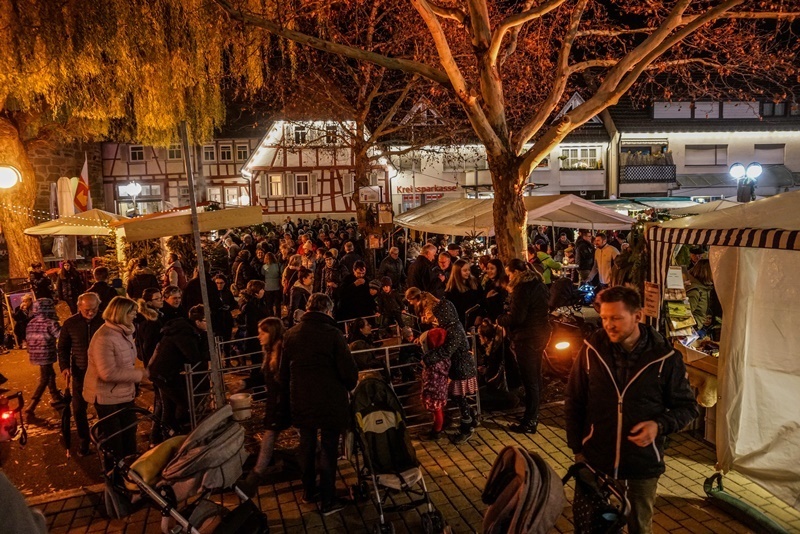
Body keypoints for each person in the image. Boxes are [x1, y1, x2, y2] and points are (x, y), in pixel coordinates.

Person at [565, 286, 698, 534]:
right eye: (604, 317)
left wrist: (658, 425)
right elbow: (574, 400)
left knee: (640, 527)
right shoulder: (591, 350)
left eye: (616, 318)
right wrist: (577, 450)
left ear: (637, 316)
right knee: (591, 526)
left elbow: (688, 408)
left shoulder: (665, 358)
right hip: (596, 459)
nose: (608, 325)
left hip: (642, 464)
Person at [281, 293, 358, 515]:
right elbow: (348, 370)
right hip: (329, 400)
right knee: (328, 448)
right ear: (327, 310)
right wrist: (350, 384)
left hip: (301, 399)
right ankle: (327, 499)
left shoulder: (290, 335)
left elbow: (283, 372)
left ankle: (308, 491)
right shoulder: (333, 334)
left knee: (306, 446)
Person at [407, 287, 478, 444]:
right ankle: (472, 417)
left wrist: (428, 359)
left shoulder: (454, 330)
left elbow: (446, 350)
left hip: (461, 368)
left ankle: (466, 426)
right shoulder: (452, 326)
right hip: (458, 367)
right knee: (458, 397)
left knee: (459, 398)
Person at [84, 297, 147, 465]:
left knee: (129, 433)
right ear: (121, 313)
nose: (135, 315)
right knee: (114, 440)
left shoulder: (124, 332)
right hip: (107, 396)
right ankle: (114, 472)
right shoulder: (105, 337)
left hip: (124, 392)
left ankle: (129, 468)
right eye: (132, 312)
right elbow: (107, 373)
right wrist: (140, 375)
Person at [497, 259, 551, 434]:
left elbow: (517, 317)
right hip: (540, 334)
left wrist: (500, 319)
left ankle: (530, 420)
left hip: (528, 337)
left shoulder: (522, 288)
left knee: (530, 379)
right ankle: (531, 414)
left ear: (516, 272)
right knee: (535, 376)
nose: (509, 277)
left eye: (509, 274)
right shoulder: (539, 283)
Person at [241, 317, 290, 496]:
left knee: (270, 437)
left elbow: (284, 379)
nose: (259, 336)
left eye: (263, 333)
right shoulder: (271, 351)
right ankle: (318, 460)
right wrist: (245, 383)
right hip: (277, 402)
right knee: (275, 435)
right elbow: (265, 375)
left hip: (283, 403)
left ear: (273, 333)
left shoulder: (282, 352)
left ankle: (253, 478)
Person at [148, 305, 210, 434]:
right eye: (206, 321)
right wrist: (205, 336)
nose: (209, 324)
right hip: (164, 375)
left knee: (169, 406)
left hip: (168, 374)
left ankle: (163, 435)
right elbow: (194, 357)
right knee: (182, 404)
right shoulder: (184, 333)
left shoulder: (185, 329)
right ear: (197, 321)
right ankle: (169, 433)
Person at [57, 292, 103, 456]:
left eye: (94, 309)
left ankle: (103, 439)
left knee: (103, 407)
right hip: (80, 372)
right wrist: (64, 367)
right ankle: (84, 440)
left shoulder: (105, 321)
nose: (90, 313)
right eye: (86, 310)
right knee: (78, 409)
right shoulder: (70, 323)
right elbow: (62, 348)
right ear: (79, 307)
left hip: (101, 373)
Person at [25, 298, 63, 417]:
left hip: (35, 353)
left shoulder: (31, 322)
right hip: (46, 353)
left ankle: (55, 396)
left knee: (50, 374)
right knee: (45, 379)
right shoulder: (50, 323)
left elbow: (28, 338)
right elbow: (60, 335)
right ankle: (32, 405)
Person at [444, 259, 483, 329]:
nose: (468, 272)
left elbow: (481, 299)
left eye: (468, 270)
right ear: (457, 272)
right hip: (462, 323)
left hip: (477, 320)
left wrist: (479, 315)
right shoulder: (452, 290)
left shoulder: (474, 282)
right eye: (465, 270)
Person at [686, 259, 714, 336]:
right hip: (692, 330)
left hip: (696, 327)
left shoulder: (703, 288)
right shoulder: (696, 290)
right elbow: (685, 313)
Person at [262, 252, 282, 317]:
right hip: (277, 286)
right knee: (277, 304)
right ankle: (278, 316)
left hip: (268, 287)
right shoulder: (278, 265)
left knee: (269, 304)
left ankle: (271, 316)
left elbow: (262, 273)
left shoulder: (264, 266)